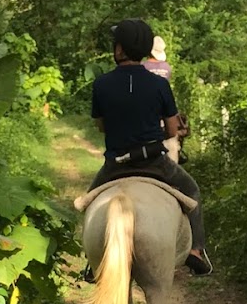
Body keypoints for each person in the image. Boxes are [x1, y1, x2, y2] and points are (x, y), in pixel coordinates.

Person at [87, 18, 212, 275]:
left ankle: (92, 259)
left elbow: (101, 126)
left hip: (115, 165)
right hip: (154, 162)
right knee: (193, 192)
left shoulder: (101, 84)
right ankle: (196, 250)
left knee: (90, 203)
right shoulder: (160, 84)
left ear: (120, 50)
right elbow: (171, 130)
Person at [143, 37, 190, 163]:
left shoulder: (143, 66)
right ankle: (176, 160)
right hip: (163, 106)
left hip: (145, 109)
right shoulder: (167, 67)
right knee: (173, 135)